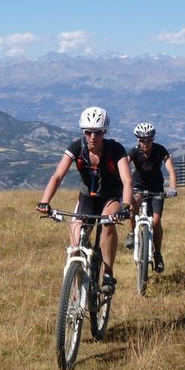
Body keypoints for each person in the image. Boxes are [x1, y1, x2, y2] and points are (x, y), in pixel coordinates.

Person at [36, 106, 133, 295]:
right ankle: (72, 297)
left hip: (110, 196)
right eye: (88, 132)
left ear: (104, 132)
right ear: (83, 132)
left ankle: (108, 273)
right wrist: (45, 201)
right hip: (87, 197)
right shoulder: (77, 148)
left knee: (107, 222)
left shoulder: (115, 149)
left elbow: (127, 181)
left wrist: (126, 206)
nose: (92, 137)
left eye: (97, 133)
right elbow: (57, 176)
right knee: (74, 246)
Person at [124, 122, 178, 273]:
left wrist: (172, 188)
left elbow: (171, 170)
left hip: (156, 189)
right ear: (138, 140)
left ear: (153, 139)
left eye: (148, 140)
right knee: (132, 204)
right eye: (142, 140)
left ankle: (157, 254)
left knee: (156, 221)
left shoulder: (160, 150)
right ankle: (130, 233)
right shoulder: (134, 152)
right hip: (138, 186)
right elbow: (124, 165)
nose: (145, 143)